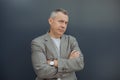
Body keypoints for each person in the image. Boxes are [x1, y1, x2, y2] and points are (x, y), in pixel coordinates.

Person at [31, 8, 84, 80]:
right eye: (61, 21)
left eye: (66, 23)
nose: (63, 26)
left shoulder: (71, 40)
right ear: (50, 21)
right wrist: (69, 63)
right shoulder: (38, 42)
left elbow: (80, 64)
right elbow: (42, 72)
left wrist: (53, 63)